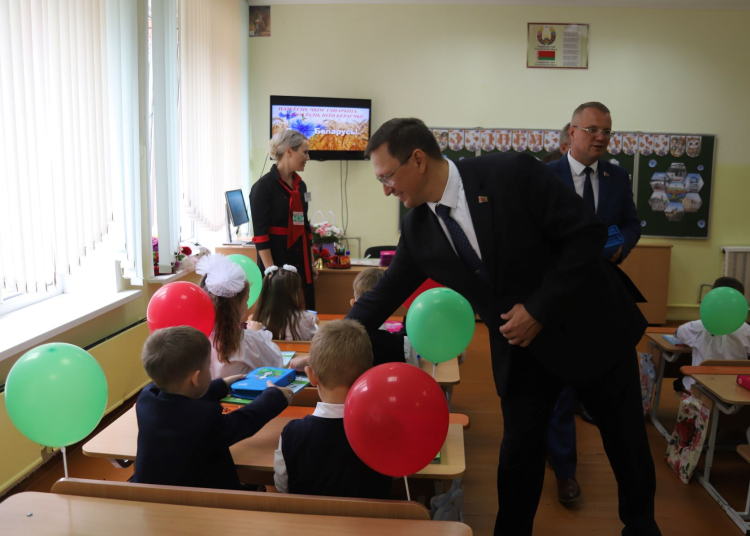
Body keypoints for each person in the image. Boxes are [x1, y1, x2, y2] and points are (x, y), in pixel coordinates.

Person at [347, 118, 658, 536]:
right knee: (518, 456)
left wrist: (539, 308)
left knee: (626, 445)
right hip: (522, 349)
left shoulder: (509, 173)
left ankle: (641, 528)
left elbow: (586, 234)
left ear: (417, 159)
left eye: (387, 176)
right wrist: (331, 342)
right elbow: (382, 295)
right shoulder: (418, 228)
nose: (385, 188)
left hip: (590, 326)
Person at [545, 103, 642, 504]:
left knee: (607, 385)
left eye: (608, 132)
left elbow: (633, 223)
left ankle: (632, 489)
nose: (601, 137)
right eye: (593, 130)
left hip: (603, 297)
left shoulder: (618, 177)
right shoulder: (545, 176)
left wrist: (624, 247)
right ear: (572, 132)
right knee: (559, 390)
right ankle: (565, 471)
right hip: (557, 301)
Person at [132, 326, 292, 490]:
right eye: (208, 367)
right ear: (195, 378)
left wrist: (221, 386)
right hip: (201, 501)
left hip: (150, 494)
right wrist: (274, 397)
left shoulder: (147, 398)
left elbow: (178, 403)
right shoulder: (205, 419)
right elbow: (243, 422)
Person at [273, 319, 393, 498]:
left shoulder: (291, 433)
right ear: (367, 375)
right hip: (372, 524)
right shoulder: (385, 430)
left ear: (311, 376)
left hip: (308, 524)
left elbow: (282, 487)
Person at [251, 129, 317, 311]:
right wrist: (271, 271)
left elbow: (305, 226)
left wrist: (311, 263)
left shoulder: (301, 186)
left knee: (303, 310)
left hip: (300, 256)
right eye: (304, 152)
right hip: (277, 258)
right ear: (289, 151)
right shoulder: (262, 188)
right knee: (279, 312)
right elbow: (260, 235)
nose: (308, 157)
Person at [196, 254, 284, 378]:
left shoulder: (194, 340)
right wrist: (259, 334)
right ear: (235, 306)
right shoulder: (247, 341)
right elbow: (276, 363)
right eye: (247, 300)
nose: (248, 306)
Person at [674, 277, 750, 392]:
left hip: (702, 385)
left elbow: (679, 332)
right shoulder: (746, 329)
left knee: (678, 383)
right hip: (737, 385)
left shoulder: (698, 326)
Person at [351, 267, 418, 366]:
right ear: (390, 307)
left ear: (353, 303)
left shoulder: (340, 341)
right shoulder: (405, 345)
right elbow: (414, 375)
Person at [254, 264, 319, 340]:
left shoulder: (259, 318)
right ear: (296, 293)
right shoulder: (306, 319)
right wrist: (315, 324)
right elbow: (315, 337)